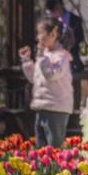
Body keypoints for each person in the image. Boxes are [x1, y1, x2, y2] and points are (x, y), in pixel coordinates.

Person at [20, 15, 74, 148]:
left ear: (53, 34)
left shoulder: (61, 57)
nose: (38, 37)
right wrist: (27, 61)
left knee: (53, 148)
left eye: (41, 33)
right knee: (41, 149)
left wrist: (41, 56)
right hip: (42, 107)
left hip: (56, 109)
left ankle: (56, 169)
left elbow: (50, 74)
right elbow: (35, 78)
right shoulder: (45, 56)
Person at [45, 0, 86, 73]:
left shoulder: (75, 20)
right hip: (55, 63)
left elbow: (80, 39)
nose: (55, 12)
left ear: (60, 5)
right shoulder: (52, 23)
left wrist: (67, 43)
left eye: (56, 8)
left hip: (72, 62)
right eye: (52, 11)